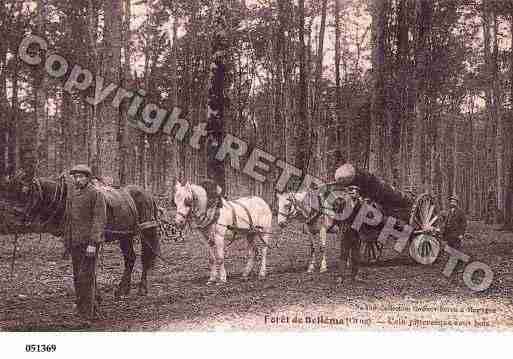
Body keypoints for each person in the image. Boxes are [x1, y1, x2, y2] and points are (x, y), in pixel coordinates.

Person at [64, 164, 107, 321]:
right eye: (76, 177)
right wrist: (67, 242)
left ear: (88, 178)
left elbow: (99, 221)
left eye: (81, 176)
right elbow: (69, 220)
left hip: (89, 244)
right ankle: (81, 309)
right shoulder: (73, 195)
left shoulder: (96, 194)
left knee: (87, 278)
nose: (78, 179)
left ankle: (87, 316)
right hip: (75, 243)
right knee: (77, 277)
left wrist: (93, 243)